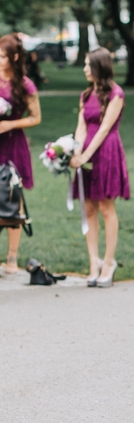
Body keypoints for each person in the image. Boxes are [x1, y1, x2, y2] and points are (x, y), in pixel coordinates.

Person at [70, 48, 130, 288]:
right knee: (89, 208)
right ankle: (92, 262)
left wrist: (86, 154)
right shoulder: (85, 95)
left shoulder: (116, 93)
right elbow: (81, 126)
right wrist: (75, 152)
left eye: (88, 65)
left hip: (106, 151)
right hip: (85, 152)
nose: (85, 69)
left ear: (100, 67)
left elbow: (105, 128)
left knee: (106, 207)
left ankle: (108, 262)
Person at [0, 34, 42, 274]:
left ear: (15, 57)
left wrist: (9, 124)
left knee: (12, 200)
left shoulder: (25, 84)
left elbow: (36, 117)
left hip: (13, 145)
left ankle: (12, 256)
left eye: (2, 56)